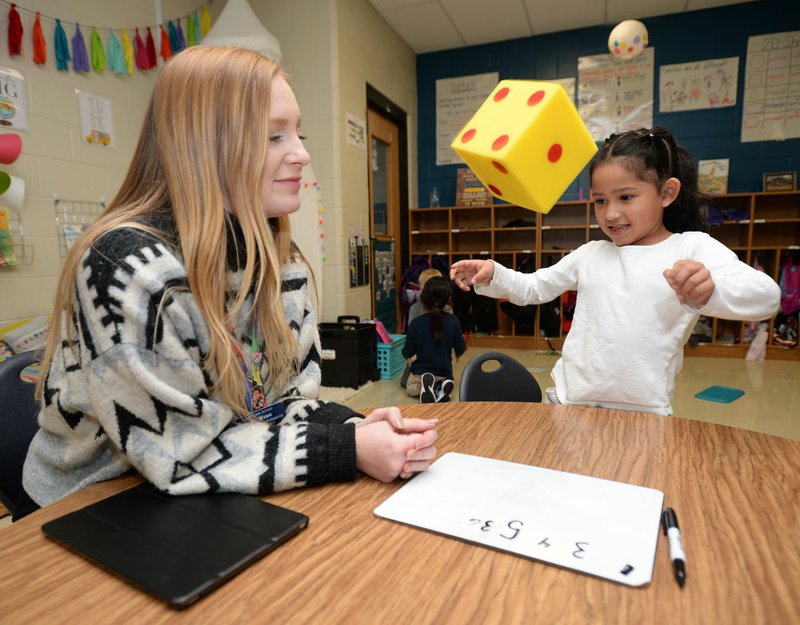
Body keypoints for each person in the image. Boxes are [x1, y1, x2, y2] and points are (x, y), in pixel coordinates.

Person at [20, 46, 437, 515]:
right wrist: (345, 449)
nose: (302, 154)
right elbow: (179, 453)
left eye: (298, 133)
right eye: (274, 136)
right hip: (92, 505)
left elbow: (285, 403)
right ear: (202, 146)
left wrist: (353, 428)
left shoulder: (283, 259)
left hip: (207, 486)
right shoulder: (126, 267)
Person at [450, 126, 781, 415]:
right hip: (569, 403)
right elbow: (534, 287)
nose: (610, 214)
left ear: (667, 192)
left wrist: (711, 292)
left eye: (625, 196)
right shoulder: (591, 254)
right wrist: (493, 272)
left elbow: (766, 298)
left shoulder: (690, 247)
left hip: (644, 414)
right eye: (601, 201)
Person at [403, 276, 466, 403]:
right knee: (443, 380)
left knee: (408, 387)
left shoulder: (416, 323)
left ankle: (425, 385)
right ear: (448, 298)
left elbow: (407, 352)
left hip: (420, 372)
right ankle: (441, 387)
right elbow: (460, 350)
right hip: (444, 373)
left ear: (424, 298)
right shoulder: (454, 321)